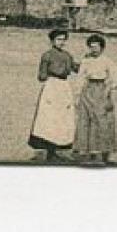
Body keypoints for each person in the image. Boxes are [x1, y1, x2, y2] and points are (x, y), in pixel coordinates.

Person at [27, 29, 78, 162]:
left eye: (63, 39)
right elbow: (41, 76)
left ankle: (56, 149)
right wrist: (48, 72)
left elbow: (76, 68)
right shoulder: (47, 55)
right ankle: (48, 149)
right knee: (49, 117)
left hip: (64, 87)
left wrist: (90, 63)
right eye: (59, 39)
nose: (61, 42)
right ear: (52, 41)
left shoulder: (67, 55)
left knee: (62, 117)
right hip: (52, 86)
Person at [73, 33, 117, 166]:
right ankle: (91, 154)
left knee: (103, 122)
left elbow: (116, 78)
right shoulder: (86, 60)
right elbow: (81, 77)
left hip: (101, 91)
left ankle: (105, 154)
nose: (94, 50)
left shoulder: (107, 61)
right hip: (88, 91)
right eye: (91, 47)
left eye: (96, 47)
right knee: (86, 121)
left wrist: (108, 90)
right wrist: (77, 94)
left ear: (102, 47)